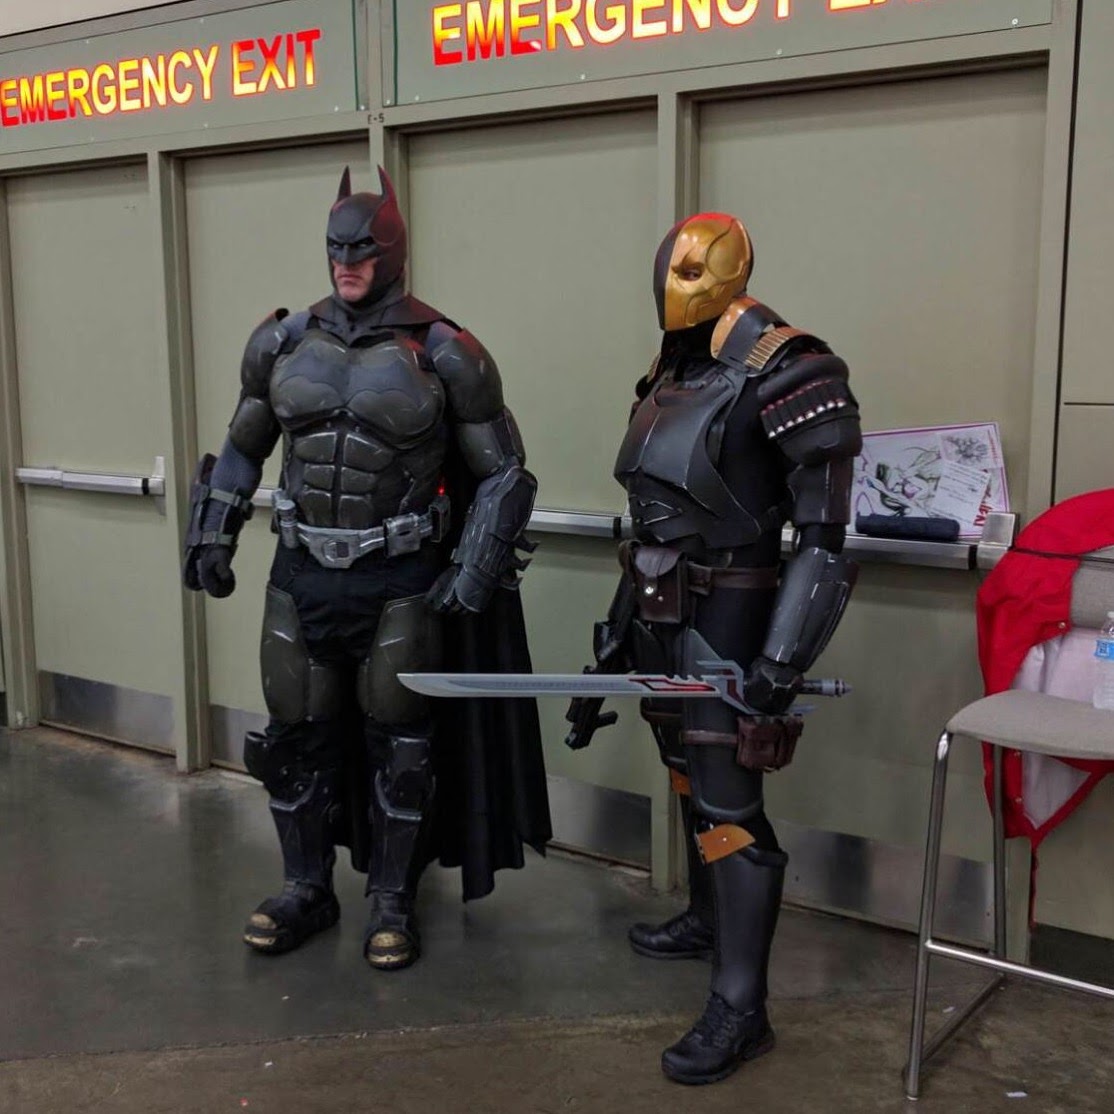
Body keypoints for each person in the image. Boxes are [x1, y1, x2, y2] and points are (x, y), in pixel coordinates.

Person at [183, 166, 551, 972]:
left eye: (363, 249)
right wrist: (213, 533)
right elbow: (243, 446)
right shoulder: (282, 342)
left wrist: (474, 568)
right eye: (336, 249)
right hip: (301, 570)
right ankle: (306, 886)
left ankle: (391, 897)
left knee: (402, 744)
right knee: (294, 737)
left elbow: (503, 471)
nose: (347, 263)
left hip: (398, 574)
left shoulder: (446, 351)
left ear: (394, 251)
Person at [573, 212, 861, 1084]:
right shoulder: (672, 372)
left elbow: (824, 540)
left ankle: (742, 1010)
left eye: (694, 270)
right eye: (670, 269)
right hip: (660, 606)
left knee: (730, 805)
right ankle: (707, 922)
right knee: (688, 776)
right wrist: (614, 643)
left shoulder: (793, 369)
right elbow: (650, 527)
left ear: (730, 272)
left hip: (731, 613)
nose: (676, 285)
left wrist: (781, 660)